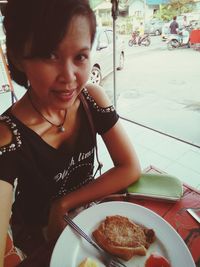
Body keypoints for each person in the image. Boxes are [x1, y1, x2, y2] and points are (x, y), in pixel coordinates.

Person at [0, 0, 141, 265]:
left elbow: (130, 167)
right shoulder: (7, 136)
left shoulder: (92, 100)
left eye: (80, 57)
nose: (69, 77)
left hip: (86, 228)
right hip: (38, 244)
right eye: (50, 55)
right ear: (19, 57)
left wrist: (63, 204)